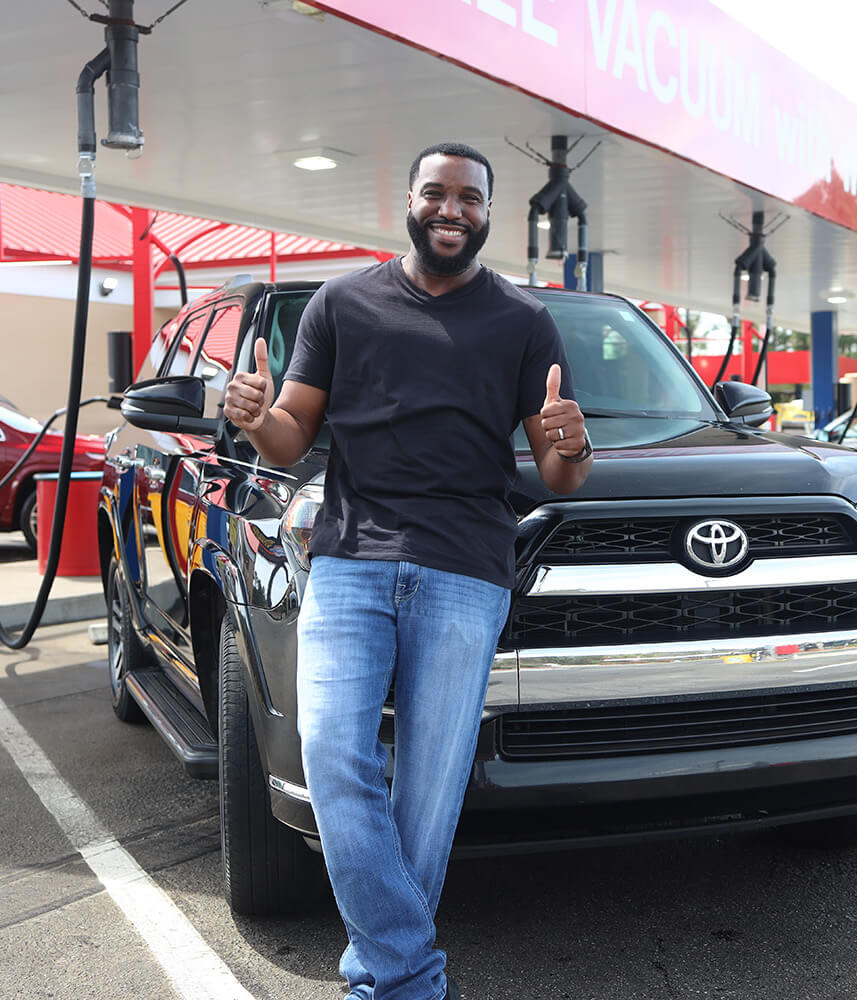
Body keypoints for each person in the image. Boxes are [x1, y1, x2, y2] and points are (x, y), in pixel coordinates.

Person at [222, 141, 592, 1000]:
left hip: (467, 567)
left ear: (489, 212)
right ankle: (410, 975)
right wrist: (252, 420)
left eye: (470, 198)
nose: (451, 210)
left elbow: (559, 469)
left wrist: (572, 446)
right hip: (352, 558)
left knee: (429, 785)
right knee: (331, 750)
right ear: (411, 201)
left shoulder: (522, 322)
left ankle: (386, 981)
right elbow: (290, 435)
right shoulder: (343, 305)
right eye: (437, 193)